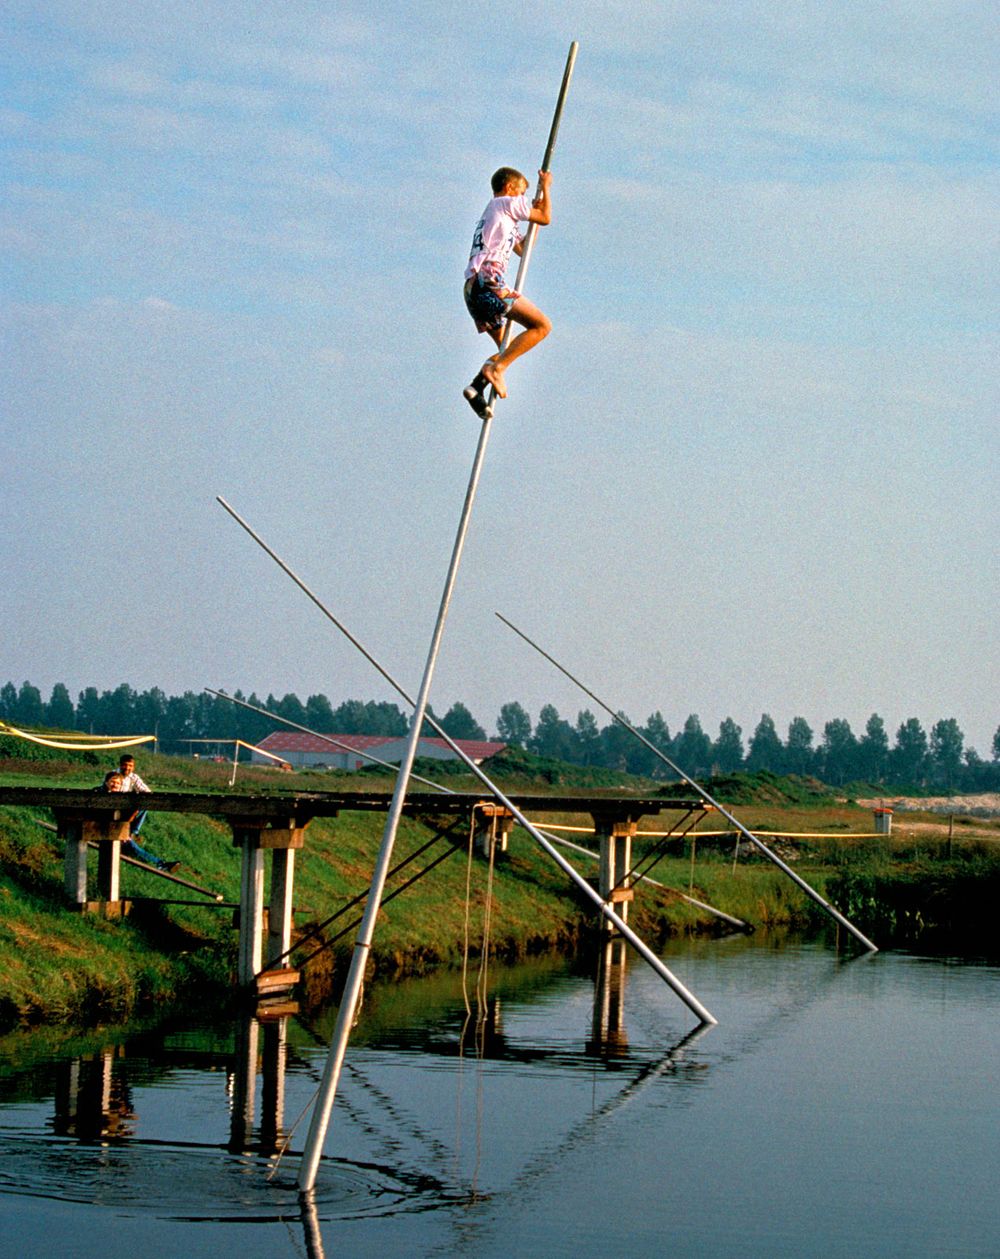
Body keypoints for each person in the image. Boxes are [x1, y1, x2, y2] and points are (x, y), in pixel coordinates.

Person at [462, 166, 553, 416]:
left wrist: (533, 219)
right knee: (541, 326)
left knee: (509, 349)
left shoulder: (500, 216)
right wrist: (546, 187)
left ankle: (476, 387)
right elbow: (546, 217)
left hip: (473, 288)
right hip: (489, 281)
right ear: (509, 189)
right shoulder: (503, 203)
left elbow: (523, 249)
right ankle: (495, 370)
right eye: (521, 194)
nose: (522, 199)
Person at [96, 769, 179, 872]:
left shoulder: (120, 796)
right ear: (106, 782)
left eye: (118, 783)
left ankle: (132, 833)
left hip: (115, 826)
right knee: (130, 845)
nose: (115, 785)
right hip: (99, 828)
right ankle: (159, 863)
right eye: (112, 781)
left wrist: (124, 830)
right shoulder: (99, 794)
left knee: (142, 807)